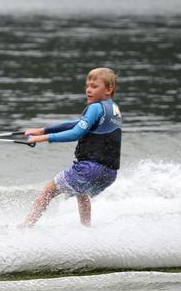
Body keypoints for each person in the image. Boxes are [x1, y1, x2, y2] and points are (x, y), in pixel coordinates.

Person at [19, 68, 122, 228]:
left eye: (94, 86)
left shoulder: (96, 107)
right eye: (87, 86)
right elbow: (78, 123)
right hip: (109, 172)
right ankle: (86, 229)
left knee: (49, 190)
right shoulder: (112, 109)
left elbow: (76, 132)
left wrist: (42, 138)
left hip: (90, 168)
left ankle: (24, 227)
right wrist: (44, 129)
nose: (88, 90)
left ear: (109, 89)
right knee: (81, 193)